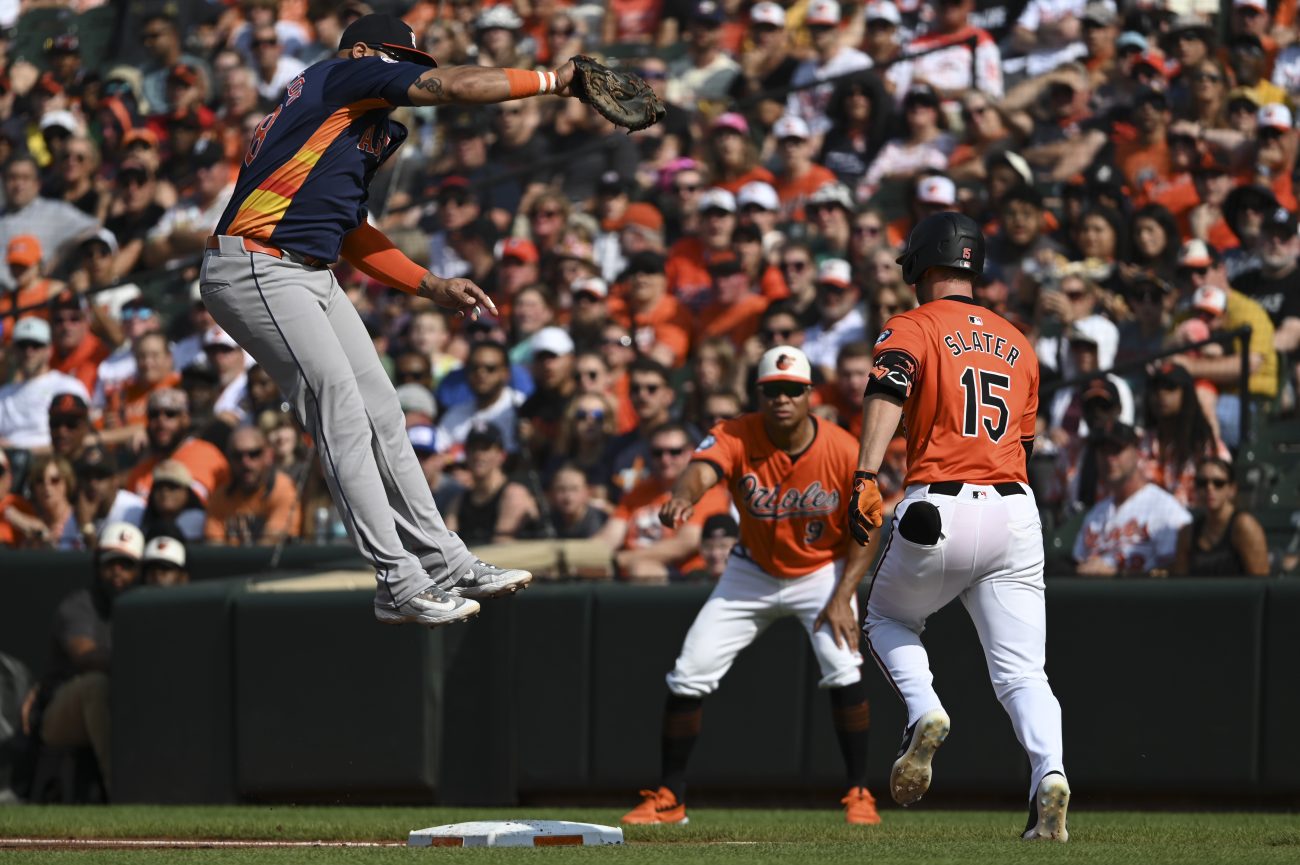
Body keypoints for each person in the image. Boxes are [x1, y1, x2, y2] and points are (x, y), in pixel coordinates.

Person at [199, 14, 564, 625]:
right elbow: (453, 86)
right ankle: (396, 580)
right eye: (399, 61)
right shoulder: (340, 77)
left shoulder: (350, 123)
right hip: (256, 265)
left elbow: (352, 231)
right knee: (339, 406)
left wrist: (430, 283)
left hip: (307, 269)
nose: (408, 79)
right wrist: (555, 79)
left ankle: (442, 559)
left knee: (382, 408)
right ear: (363, 52)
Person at [850, 212, 1070, 841]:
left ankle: (924, 710)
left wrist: (866, 476)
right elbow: (1023, 440)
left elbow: (888, 389)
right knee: (1025, 674)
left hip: (937, 507)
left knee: (887, 620)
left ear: (921, 265)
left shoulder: (913, 325)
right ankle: (1049, 773)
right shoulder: (1018, 341)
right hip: (1014, 511)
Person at [621, 347, 880, 826]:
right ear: (759, 394)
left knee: (843, 667)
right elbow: (704, 468)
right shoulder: (738, 431)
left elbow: (869, 528)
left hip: (821, 571)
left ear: (809, 395)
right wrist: (683, 494)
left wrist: (845, 594)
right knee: (689, 671)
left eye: (792, 390)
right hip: (752, 570)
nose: (782, 399)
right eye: (772, 391)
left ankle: (860, 792)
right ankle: (670, 797)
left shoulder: (843, 448)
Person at [30, 522, 144, 797]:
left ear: (138, 570)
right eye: (110, 563)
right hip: (60, 714)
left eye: (126, 564)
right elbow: (85, 656)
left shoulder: (143, 607)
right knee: (96, 684)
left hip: (122, 704)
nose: (117, 572)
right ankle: (121, 791)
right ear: (97, 566)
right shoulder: (80, 604)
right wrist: (143, 667)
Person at [1073, 422, 1193, 577]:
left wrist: (1117, 574)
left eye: (1117, 450)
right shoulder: (1095, 514)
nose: (1110, 459)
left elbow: (1173, 572)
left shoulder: (1166, 509)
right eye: (1103, 451)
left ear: (1137, 452)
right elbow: (1077, 562)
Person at [0, 318, 90, 450]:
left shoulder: (66, 386)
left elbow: (78, 438)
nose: (28, 352)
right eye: (22, 345)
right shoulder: (4, 394)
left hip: (53, 463)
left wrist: (19, 451)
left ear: (49, 349)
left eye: (36, 345)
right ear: (14, 350)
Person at [1172, 456, 1269, 577]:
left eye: (1218, 483)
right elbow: (1180, 582)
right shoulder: (1187, 533)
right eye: (1202, 483)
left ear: (1232, 489)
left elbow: (1260, 582)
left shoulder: (1244, 526)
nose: (1209, 488)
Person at [204, 426, 302, 546]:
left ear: (268, 455)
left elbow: (272, 544)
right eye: (237, 455)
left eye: (254, 454)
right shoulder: (220, 495)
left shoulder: (283, 489)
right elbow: (214, 546)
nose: (246, 462)